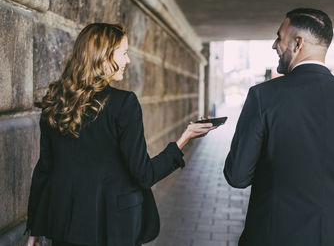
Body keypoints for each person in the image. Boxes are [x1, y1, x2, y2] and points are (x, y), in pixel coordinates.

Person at [25, 23, 217, 246]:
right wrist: (186, 137)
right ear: (104, 57)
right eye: (124, 53)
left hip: (66, 228)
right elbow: (144, 174)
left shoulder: (56, 103)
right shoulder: (124, 104)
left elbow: (44, 171)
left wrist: (35, 230)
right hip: (114, 227)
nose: (128, 61)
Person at [223, 8, 334, 246]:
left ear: (297, 44)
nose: (274, 45)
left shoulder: (263, 97)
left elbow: (237, 176)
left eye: (279, 37)